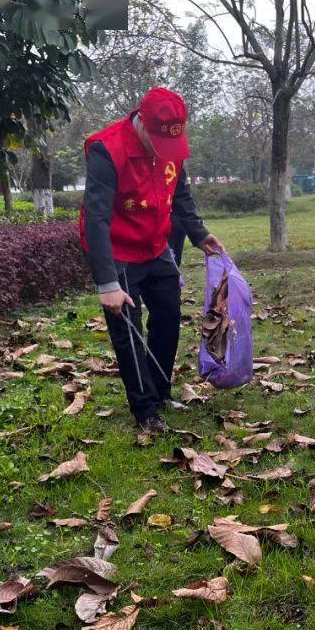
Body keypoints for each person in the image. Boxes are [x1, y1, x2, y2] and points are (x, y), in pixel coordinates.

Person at [79, 87, 224, 432]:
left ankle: (160, 393)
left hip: (156, 246)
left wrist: (198, 233)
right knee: (128, 331)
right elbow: (96, 217)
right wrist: (107, 282)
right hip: (118, 252)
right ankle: (145, 412)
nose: (164, 152)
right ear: (141, 122)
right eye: (157, 141)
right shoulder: (107, 149)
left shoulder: (171, 146)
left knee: (169, 316)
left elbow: (180, 192)